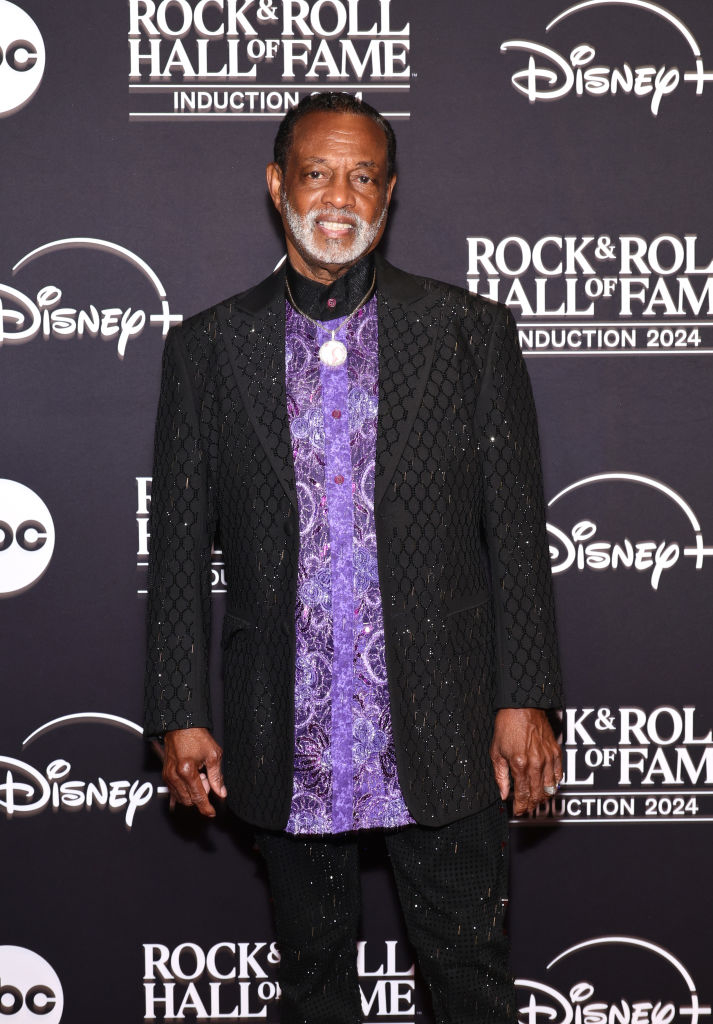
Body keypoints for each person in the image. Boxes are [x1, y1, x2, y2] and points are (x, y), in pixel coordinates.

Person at [144, 91, 563, 1024]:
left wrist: (523, 695)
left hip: (448, 723)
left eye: (362, 175)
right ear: (276, 185)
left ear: (389, 194)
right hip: (282, 725)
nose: (339, 195)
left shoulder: (469, 334)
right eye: (317, 172)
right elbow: (174, 547)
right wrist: (177, 708)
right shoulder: (207, 349)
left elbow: (517, 535)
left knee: (469, 982)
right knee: (314, 985)